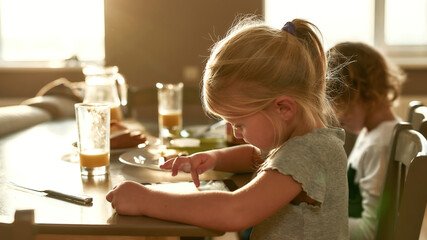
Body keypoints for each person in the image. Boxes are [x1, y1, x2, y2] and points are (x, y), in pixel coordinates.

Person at [106, 16, 349, 239]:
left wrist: (146, 200)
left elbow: (236, 211)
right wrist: (213, 159)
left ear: (283, 108)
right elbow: (256, 156)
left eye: (239, 123)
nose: (235, 133)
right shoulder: (301, 141)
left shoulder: (309, 152)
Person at [327, 42, 407, 239]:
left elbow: (372, 232)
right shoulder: (373, 134)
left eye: (337, 101)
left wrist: (322, 223)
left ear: (361, 91)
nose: (335, 116)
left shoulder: (379, 145)